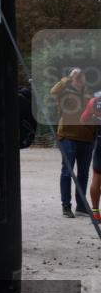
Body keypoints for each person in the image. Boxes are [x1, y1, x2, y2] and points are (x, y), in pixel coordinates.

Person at [51, 68, 94, 217]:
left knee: (83, 173)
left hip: (88, 138)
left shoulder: (90, 94)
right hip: (68, 137)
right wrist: (68, 78)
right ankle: (66, 206)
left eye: (82, 78)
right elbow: (53, 91)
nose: (80, 81)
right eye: (77, 78)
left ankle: (81, 206)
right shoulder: (64, 91)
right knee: (67, 172)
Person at [79, 93, 101, 224]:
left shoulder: (95, 101)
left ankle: (96, 213)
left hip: (100, 141)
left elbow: (83, 120)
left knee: (97, 176)